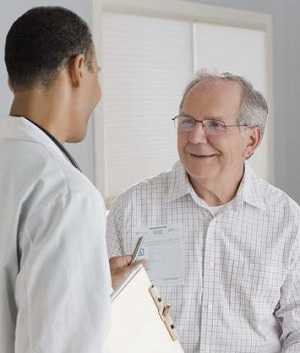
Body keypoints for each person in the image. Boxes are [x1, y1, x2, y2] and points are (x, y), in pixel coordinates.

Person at [106, 72, 300, 353]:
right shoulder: (131, 209)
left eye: (215, 125)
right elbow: (101, 315)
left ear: (251, 141)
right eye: (187, 122)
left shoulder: (288, 222)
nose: (195, 137)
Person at [0, 7, 111, 353]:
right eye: (97, 72)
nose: (99, 92)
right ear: (78, 68)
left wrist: (91, 281)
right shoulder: (66, 193)